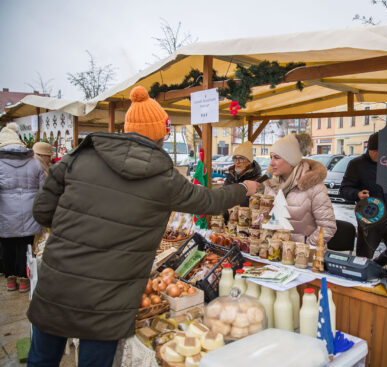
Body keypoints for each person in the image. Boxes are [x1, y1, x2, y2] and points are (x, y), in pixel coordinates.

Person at [27, 86, 260, 367]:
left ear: (128, 128)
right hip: (110, 292)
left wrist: (75, 230)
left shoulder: (78, 157)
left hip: (60, 278)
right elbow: (208, 201)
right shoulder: (164, 177)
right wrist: (244, 189)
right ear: (160, 136)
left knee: (41, 360)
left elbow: (42, 212)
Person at [340, 132, 387, 266]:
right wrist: (358, 194)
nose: (378, 155)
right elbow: (344, 189)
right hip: (369, 219)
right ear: (368, 149)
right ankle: (365, 272)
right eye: (374, 151)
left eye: (381, 152)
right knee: (363, 258)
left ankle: (375, 266)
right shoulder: (356, 164)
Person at [263, 133, 336, 246]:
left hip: (304, 258)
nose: (271, 163)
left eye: (276, 158)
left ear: (291, 160)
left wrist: (305, 246)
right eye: (271, 157)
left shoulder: (315, 187)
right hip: (275, 254)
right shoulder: (271, 184)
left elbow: (327, 227)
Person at [0, 123, 45, 293]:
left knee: (7, 246)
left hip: (5, 213)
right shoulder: (34, 163)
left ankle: (11, 280)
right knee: (26, 245)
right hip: (29, 211)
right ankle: (24, 279)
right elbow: (43, 189)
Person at [223, 141, 262, 212]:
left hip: (246, 219)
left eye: (241, 158)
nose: (237, 162)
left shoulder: (256, 180)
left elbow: (254, 204)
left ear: (249, 162)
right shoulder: (230, 177)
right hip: (228, 219)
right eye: (235, 158)